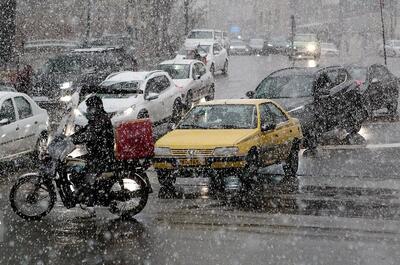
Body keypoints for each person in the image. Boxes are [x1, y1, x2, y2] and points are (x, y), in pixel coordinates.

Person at [70, 95, 115, 204]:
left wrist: (77, 140)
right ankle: (82, 192)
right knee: (74, 165)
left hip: (103, 156)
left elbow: (90, 135)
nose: (89, 111)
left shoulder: (102, 120)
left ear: (97, 107)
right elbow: (84, 131)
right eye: (88, 108)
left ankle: (90, 200)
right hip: (96, 154)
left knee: (82, 170)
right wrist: (69, 138)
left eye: (91, 108)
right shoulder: (95, 120)